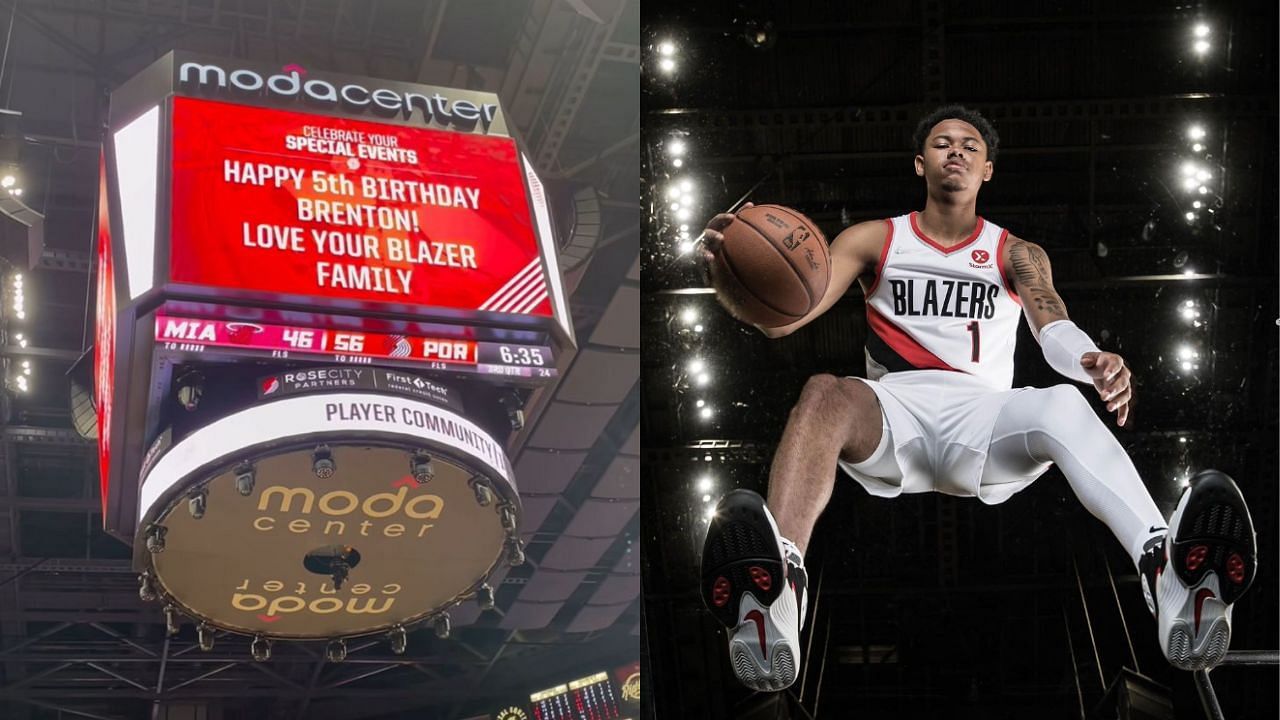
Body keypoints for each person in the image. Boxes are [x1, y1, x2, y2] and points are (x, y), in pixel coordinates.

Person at [697, 105, 1258, 692]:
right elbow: (788, 317)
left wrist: (1090, 359)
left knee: (1063, 403)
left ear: (987, 169)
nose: (956, 151)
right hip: (895, 412)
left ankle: (1163, 565)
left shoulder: (1017, 252)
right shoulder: (875, 238)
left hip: (986, 418)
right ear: (921, 163)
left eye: (969, 145)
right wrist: (732, 277)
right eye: (942, 144)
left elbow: (1052, 324)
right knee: (822, 393)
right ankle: (779, 586)